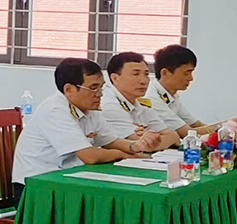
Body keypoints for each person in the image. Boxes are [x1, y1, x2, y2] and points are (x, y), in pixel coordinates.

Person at [12, 58, 149, 186]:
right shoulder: (55, 110)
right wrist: (121, 155)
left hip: (68, 177)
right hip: (37, 184)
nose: (100, 94)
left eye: (101, 87)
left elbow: (111, 142)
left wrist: (137, 145)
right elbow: (89, 156)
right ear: (69, 89)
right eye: (93, 88)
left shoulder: (90, 109)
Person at [148, 45, 237, 137]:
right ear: (165, 73)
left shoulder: (171, 95)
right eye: (186, 73)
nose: (191, 78)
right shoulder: (152, 98)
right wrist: (230, 125)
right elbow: (186, 133)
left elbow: (196, 124)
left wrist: (227, 129)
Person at [101, 52, 179, 152]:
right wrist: (152, 138)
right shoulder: (109, 105)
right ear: (115, 78)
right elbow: (141, 145)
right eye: (135, 74)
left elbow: (173, 136)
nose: (144, 81)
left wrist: (148, 136)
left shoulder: (141, 103)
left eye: (146, 74)